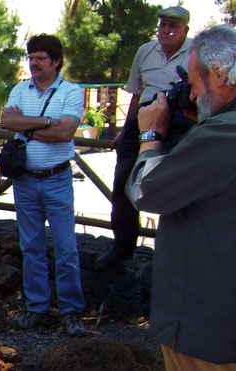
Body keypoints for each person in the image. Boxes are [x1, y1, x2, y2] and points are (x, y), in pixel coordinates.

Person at [126, 25, 236, 369]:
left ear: (218, 76)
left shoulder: (221, 134)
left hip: (205, 329)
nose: (190, 94)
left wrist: (150, 134)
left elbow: (147, 191)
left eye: (194, 82)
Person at [0, 34, 86, 336]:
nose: (33, 63)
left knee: (66, 248)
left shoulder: (71, 91)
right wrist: (48, 122)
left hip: (57, 179)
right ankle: (36, 308)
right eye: (31, 57)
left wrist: (28, 125)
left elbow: (67, 133)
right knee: (31, 247)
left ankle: (71, 311)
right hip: (25, 181)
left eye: (40, 58)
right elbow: (7, 123)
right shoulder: (20, 89)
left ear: (56, 61)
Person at [99, 6, 193, 269]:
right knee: (124, 181)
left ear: (186, 29)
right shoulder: (145, 51)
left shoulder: (196, 52)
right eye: (162, 24)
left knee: (176, 184)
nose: (165, 30)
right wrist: (125, 129)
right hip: (144, 116)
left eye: (172, 26)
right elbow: (137, 94)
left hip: (181, 120)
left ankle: (172, 251)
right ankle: (123, 246)